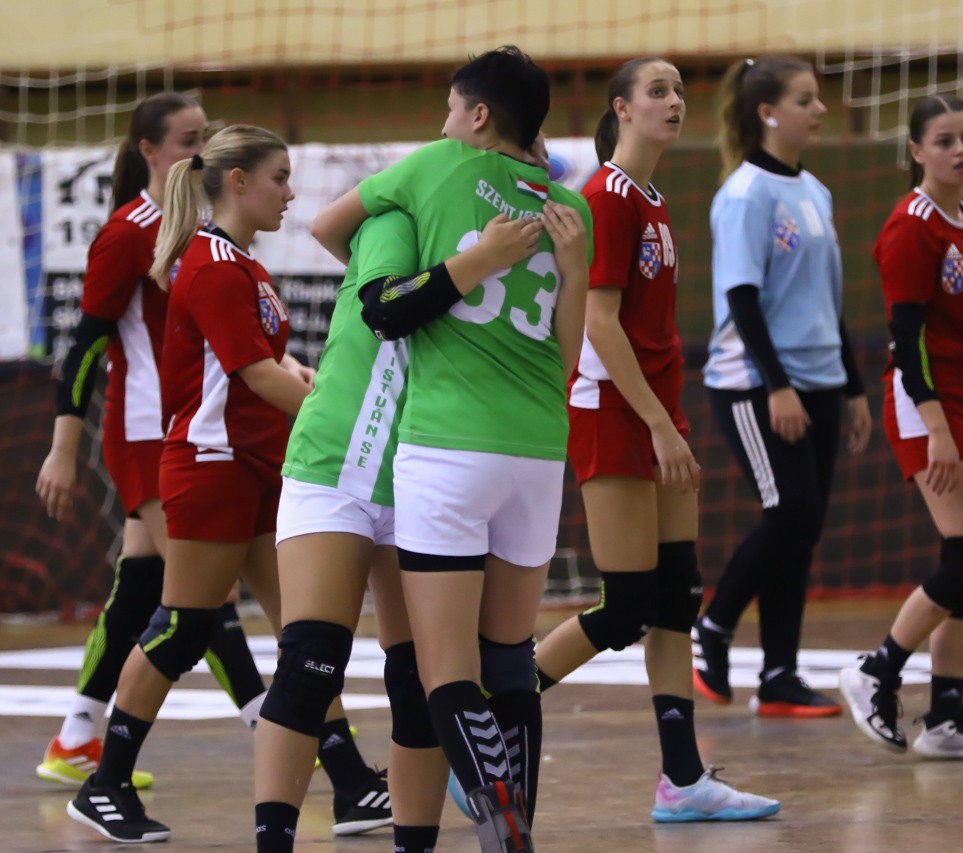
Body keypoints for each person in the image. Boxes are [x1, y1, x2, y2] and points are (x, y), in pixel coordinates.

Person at [65, 125, 384, 844]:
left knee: (304, 634)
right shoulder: (210, 264)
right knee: (183, 626)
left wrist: (309, 380)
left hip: (255, 466)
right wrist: (348, 421)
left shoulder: (242, 264)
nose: (291, 193)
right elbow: (254, 375)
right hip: (211, 466)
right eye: (280, 177)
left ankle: (354, 783)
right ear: (238, 182)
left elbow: (265, 367)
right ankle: (104, 782)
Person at [311, 45, 590, 852]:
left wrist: (419, 268)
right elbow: (568, 359)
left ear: (478, 115)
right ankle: (518, 822)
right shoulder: (570, 208)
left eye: (449, 109)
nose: (443, 123)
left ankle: (496, 811)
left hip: (447, 448)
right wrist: (570, 269)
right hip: (538, 450)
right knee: (511, 660)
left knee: (444, 671)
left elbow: (329, 228)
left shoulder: (433, 167)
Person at [515, 56, 780, 823]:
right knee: (627, 604)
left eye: (679, 91)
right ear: (621, 108)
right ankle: (488, 717)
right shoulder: (605, 195)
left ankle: (683, 778)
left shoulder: (652, 199)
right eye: (657, 91)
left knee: (676, 598)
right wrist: (661, 425)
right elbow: (598, 324)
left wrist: (667, 418)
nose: (674, 102)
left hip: (657, 411)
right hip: (612, 411)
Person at [252, 204, 547, 853]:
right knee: (309, 666)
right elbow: (374, 293)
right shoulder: (398, 222)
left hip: (423, 474)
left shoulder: (500, 246)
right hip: (333, 464)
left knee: (417, 681)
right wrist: (476, 257)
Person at [33, 93, 268, 790]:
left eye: (205, 138)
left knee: (142, 586)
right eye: (187, 141)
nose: (199, 152)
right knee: (205, 594)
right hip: (146, 432)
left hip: (184, 426)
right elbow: (86, 342)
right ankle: (284, 728)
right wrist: (63, 447)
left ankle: (77, 736)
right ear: (148, 151)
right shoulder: (129, 231)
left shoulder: (202, 226)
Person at [837, 95, 963, 760]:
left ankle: (947, 715)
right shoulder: (910, 227)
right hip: (928, 405)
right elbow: (908, 338)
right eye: (945, 141)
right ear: (917, 151)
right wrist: (938, 428)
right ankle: (877, 670)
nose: (961, 150)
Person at [693, 55, 873, 718]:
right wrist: (777, 386)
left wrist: (852, 387)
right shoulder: (745, 194)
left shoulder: (815, 191)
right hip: (754, 382)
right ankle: (713, 627)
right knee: (791, 513)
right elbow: (741, 298)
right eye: (805, 99)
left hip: (821, 379)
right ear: (768, 112)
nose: (819, 110)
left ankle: (778, 675)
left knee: (804, 527)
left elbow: (826, 299)